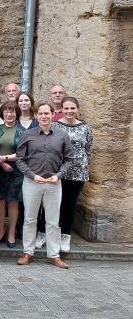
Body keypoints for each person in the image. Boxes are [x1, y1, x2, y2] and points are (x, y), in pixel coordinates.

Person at [16, 102, 73, 269]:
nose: (43, 116)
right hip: (32, 182)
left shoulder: (62, 135)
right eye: (40, 113)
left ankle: (53, 255)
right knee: (29, 219)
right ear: (36, 115)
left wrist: (59, 176)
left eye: (46, 113)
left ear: (52, 114)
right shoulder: (28, 134)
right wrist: (32, 176)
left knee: (53, 221)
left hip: (54, 183)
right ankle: (28, 252)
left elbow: (69, 160)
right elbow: (20, 159)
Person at [52, 97, 93, 253]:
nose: (69, 111)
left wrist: (82, 165)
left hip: (77, 173)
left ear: (77, 109)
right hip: (58, 171)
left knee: (70, 205)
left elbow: (89, 150)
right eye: (66, 108)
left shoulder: (85, 128)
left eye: (72, 108)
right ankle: (44, 233)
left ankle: (65, 236)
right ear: (61, 109)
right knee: (53, 204)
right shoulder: (55, 126)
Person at [0, 101, 26, 248]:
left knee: (13, 202)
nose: (9, 114)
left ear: (17, 113)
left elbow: (23, 153)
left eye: (12, 111)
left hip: (16, 171)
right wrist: (1, 162)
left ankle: (11, 234)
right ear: (2, 113)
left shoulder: (23, 131)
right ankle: (0, 232)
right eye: (6, 111)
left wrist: (4, 159)